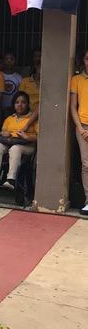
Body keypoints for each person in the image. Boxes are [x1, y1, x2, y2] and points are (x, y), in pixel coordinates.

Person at [0, 91, 38, 190]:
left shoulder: (33, 119)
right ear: (13, 105)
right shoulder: (9, 118)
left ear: (28, 104)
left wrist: (27, 137)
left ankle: (11, 179)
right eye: (17, 102)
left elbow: (40, 137)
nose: (20, 105)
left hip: (28, 146)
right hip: (10, 143)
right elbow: (2, 132)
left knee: (15, 149)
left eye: (23, 102)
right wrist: (5, 133)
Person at [69, 50, 88, 216]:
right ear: (84, 60)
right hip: (82, 126)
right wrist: (80, 128)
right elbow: (73, 107)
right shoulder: (76, 79)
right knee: (86, 165)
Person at [1, 51, 22, 116]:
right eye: (6, 59)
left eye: (11, 59)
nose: (9, 61)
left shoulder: (19, 77)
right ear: (3, 61)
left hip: (14, 109)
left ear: (15, 61)